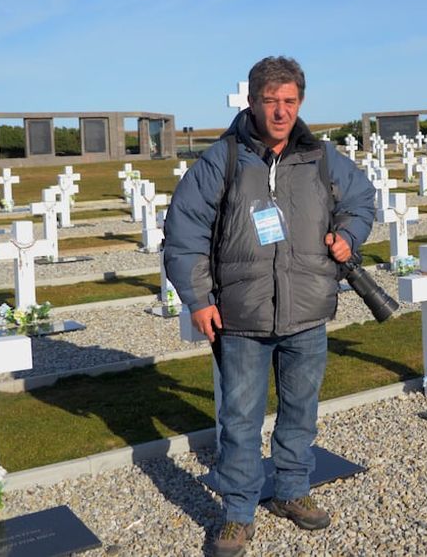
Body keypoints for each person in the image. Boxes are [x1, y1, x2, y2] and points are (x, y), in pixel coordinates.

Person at [163, 56, 375, 556]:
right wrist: (198, 299)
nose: (281, 111)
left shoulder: (320, 157)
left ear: (300, 102)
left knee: (300, 412)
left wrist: (348, 235)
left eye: (290, 101)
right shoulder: (222, 160)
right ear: (253, 102)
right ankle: (238, 513)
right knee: (239, 420)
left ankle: (292, 491)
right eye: (271, 100)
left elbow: (362, 201)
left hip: (307, 312)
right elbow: (185, 233)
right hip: (242, 317)